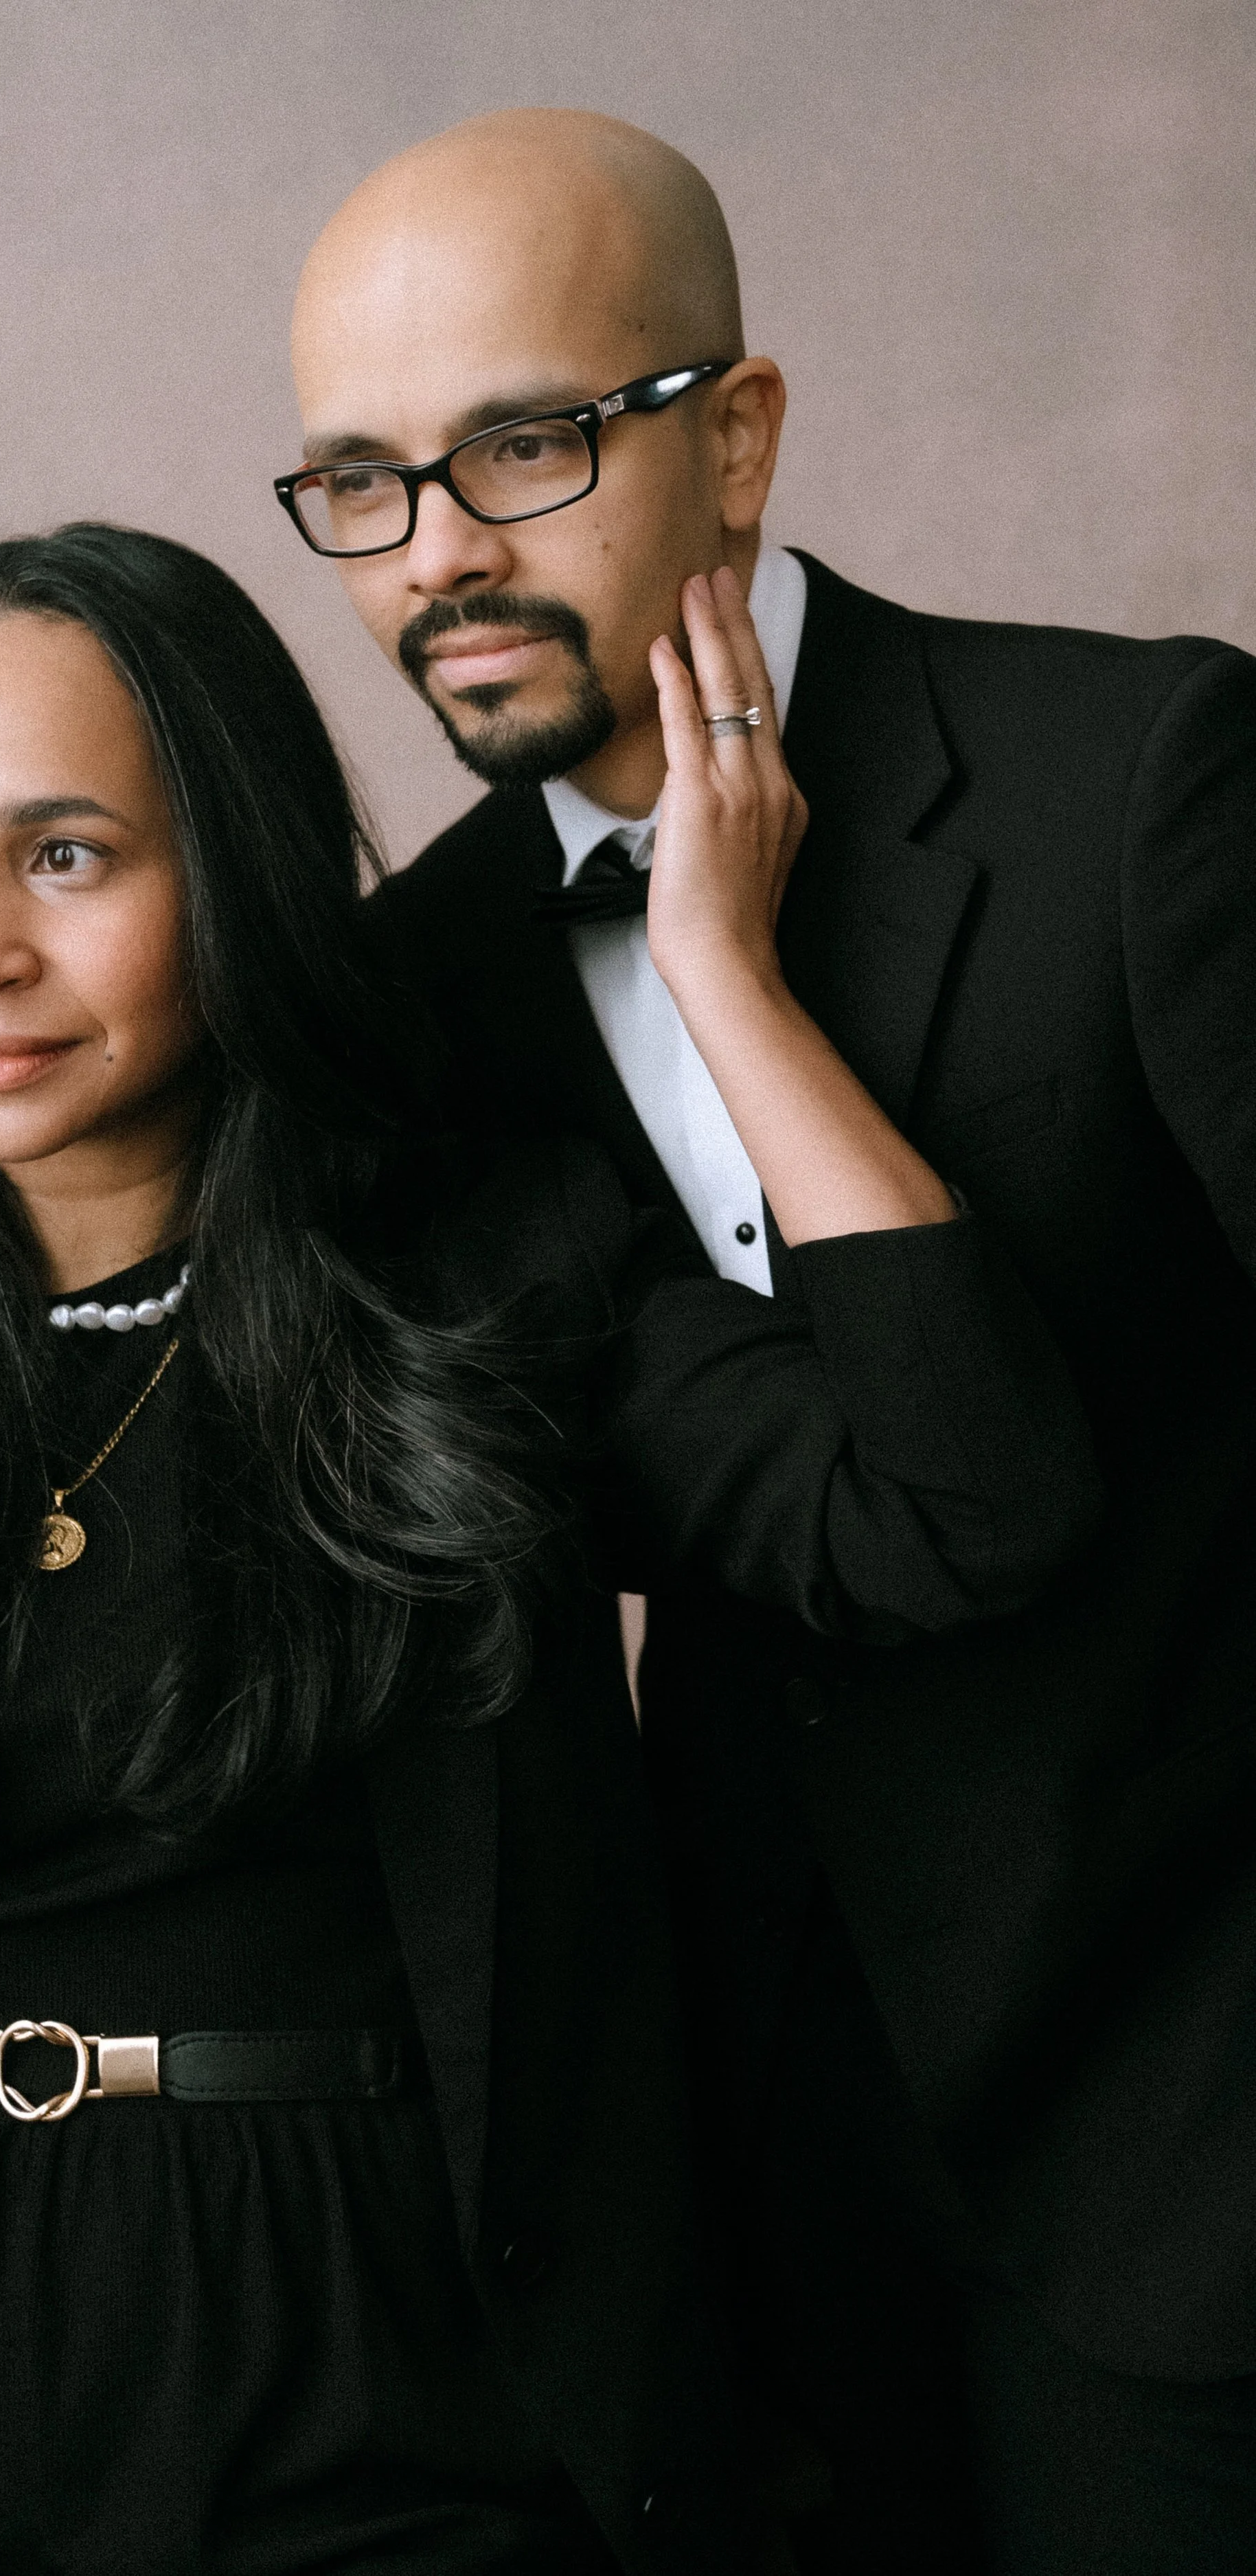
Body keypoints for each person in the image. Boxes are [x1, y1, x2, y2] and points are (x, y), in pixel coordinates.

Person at [0, 521, 1096, 2576]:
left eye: (68, 853)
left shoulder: (484, 1290)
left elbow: (963, 1504)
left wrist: (722, 972)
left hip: (411, 2406)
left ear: (240, 879)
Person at [280, 106, 1256, 2576]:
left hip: (1204, 2143)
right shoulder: (422, 1003)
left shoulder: (1139, 775)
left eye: (518, 442)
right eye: (363, 484)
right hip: (757, 2199)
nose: (440, 556)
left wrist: (720, 961)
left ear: (736, 435)